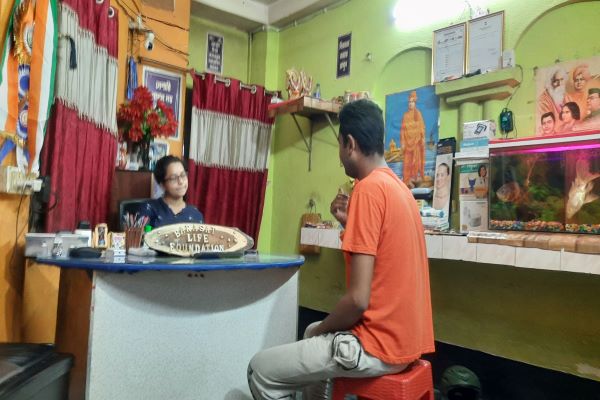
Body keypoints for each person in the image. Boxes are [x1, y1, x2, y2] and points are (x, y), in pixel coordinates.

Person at [247, 100, 434, 400]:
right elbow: (385, 256)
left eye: (339, 145)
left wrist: (323, 330)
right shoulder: (401, 190)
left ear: (350, 144)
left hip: (378, 346)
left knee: (260, 369)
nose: (339, 157)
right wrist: (351, 223)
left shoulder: (367, 189)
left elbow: (358, 300)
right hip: (407, 341)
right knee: (312, 330)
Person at [140, 155, 204, 228]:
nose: (181, 181)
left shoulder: (196, 214)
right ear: (162, 184)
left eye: (183, 175)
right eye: (173, 178)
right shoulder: (148, 209)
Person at [400, 90, 426, 187]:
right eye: (409, 102)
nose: (410, 104)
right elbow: (402, 130)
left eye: (412, 102)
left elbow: (422, 127)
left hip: (416, 142)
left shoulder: (418, 114)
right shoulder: (405, 115)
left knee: (415, 162)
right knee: (407, 162)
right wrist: (402, 143)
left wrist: (422, 138)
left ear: (415, 103)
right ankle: (406, 180)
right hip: (407, 144)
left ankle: (414, 179)